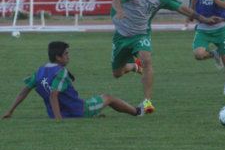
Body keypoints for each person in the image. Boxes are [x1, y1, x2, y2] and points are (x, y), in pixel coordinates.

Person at [111, 0, 223, 114]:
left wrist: (204, 19)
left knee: (147, 60)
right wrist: (119, 10)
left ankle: (147, 102)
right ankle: (133, 66)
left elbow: (182, 9)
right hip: (121, 36)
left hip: (141, 35)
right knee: (117, 73)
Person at [2, 41, 144, 119]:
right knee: (108, 97)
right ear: (58, 58)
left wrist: (10, 111)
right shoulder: (61, 71)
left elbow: (24, 91)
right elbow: (53, 95)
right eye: (66, 54)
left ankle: (91, 115)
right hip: (77, 110)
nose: (68, 56)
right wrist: (59, 120)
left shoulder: (40, 70)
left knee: (96, 102)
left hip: (55, 113)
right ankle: (137, 112)